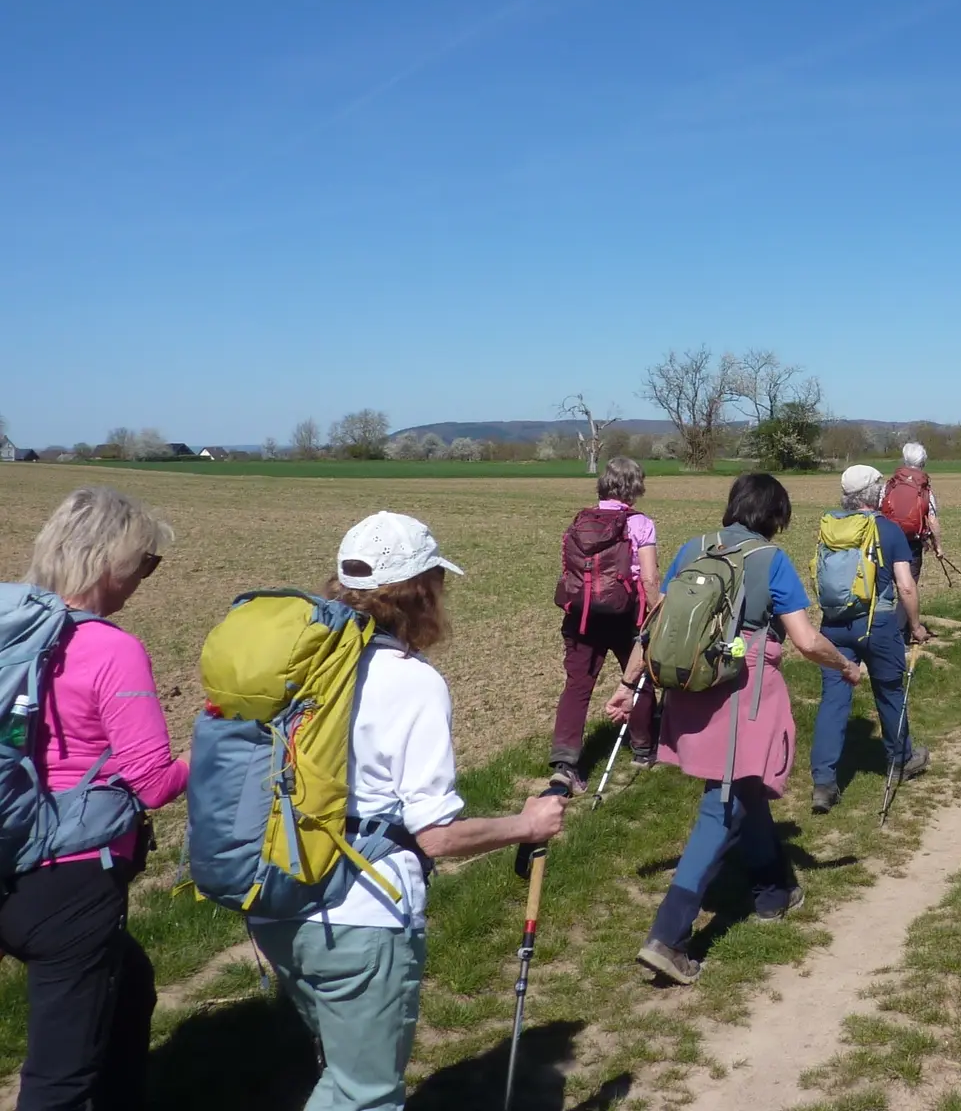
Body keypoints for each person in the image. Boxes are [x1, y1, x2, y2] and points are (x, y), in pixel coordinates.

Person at [250, 512, 567, 1111]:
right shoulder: (411, 682)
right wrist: (529, 824)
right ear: (422, 591)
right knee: (363, 1094)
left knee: (342, 1074)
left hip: (279, 900)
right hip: (363, 916)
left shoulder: (297, 667)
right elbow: (438, 838)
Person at [608, 473, 864, 986]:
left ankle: (773, 890)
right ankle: (669, 936)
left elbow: (660, 623)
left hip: (694, 688)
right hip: (744, 692)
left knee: (744, 787)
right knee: (722, 803)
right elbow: (806, 640)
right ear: (775, 517)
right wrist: (845, 668)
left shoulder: (693, 548)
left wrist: (630, 681)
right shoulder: (771, 560)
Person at [1, 487, 184, 1111]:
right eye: (145, 563)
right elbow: (152, 781)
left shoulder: (8, 627)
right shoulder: (112, 648)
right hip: (70, 881)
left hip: (6, 853)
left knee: (129, 986)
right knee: (61, 1077)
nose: (144, 579)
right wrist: (218, 753)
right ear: (111, 565)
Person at [809, 465, 931, 815]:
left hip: (834, 625)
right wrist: (916, 625)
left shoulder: (831, 526)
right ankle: (901, 759)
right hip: (876, 625)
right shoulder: (888, 530)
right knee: (890, 690)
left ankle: (823, 782)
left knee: (834, 700)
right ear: (874, 492)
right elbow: (906, 585)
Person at [549, 456, 662, 792]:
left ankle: (565, 764)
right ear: (636, 486)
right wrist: (657, 612)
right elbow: (651, 577)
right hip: (625, 613)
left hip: (580, 615)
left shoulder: (579, 521)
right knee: (638, 676)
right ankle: (642, 750)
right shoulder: (640, 524)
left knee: (577, 686)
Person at [880, 441, 943, 583]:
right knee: (908, 589)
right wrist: (937, 546)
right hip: (912, 544)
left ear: (904, 460)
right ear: (923, 463)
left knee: (884, 588)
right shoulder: (925, 490)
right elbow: (932, 521)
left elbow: (879, 510)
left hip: (886, 542)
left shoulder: (889, 485)